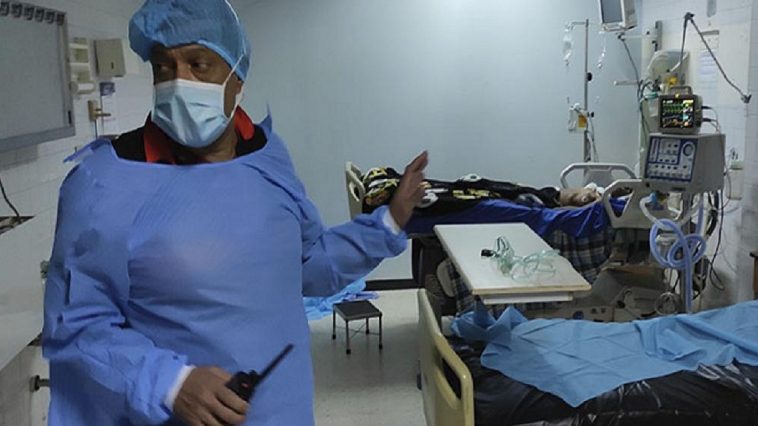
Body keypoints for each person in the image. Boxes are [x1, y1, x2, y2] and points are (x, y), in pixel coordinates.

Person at [42, 1, 428, 425]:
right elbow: (76, 324)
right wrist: (171, 383)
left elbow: (306, 264)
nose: (179, 83)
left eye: (198, 64)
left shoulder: (265, 157)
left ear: (236, 75)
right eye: (164, 67)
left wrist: (389, 221)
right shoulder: (106, 182)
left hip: (284, 410)